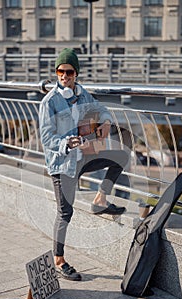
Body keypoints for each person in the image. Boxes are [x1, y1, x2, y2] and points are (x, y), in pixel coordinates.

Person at [39, 48, 129, 281]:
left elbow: (100, 109)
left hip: (83, 157)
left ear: (76, 73)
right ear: (56, 72)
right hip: (63, 163)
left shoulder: (82, 93)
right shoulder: (49, 102)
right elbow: (47, 139)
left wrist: (107, 121)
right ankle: (59, 260)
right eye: (60, 71)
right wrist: (68, 143)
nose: (64, 76)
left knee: (121, 156)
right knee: (65, 212)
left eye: (68, 71)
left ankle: (100, 200)